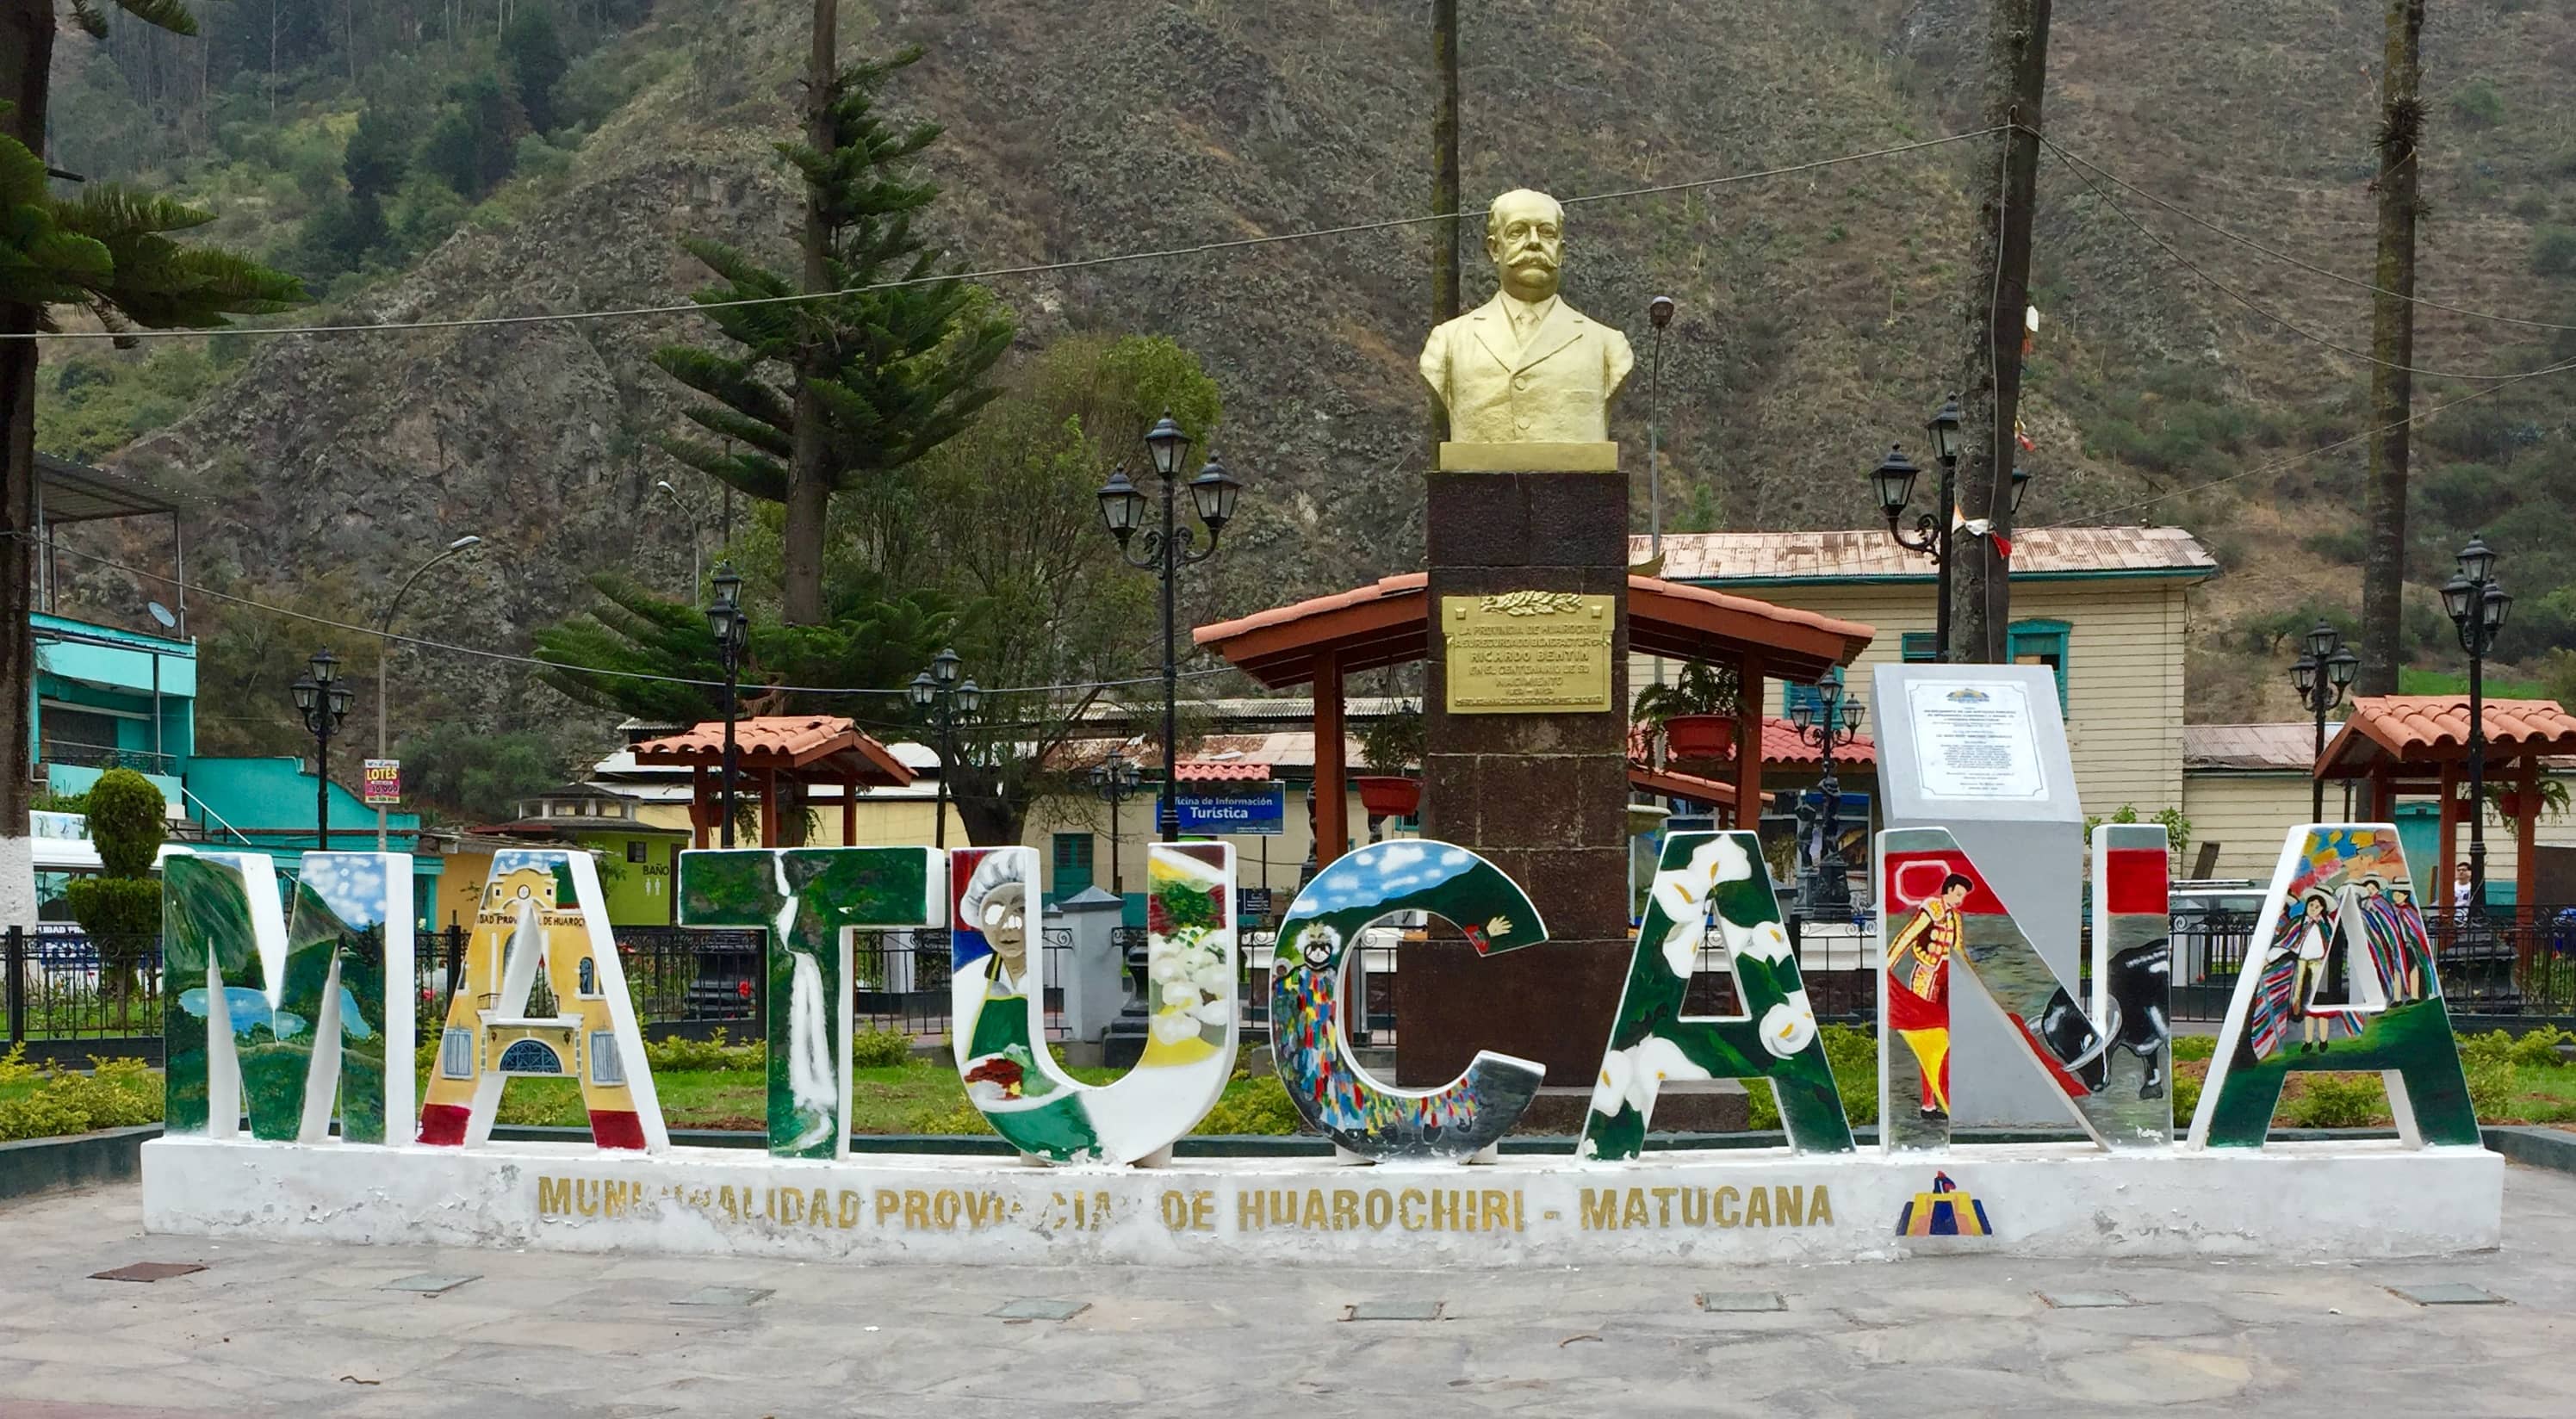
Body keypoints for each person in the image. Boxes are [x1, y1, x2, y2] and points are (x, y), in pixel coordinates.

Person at [1418, 189, 1636, 449]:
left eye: (1547, 232)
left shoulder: (1609, 346)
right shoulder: (1448, 343)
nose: (1534, 242)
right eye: (1517, 232)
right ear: (1494, 248)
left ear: (1561, 251)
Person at [1884, 873, 1971, 1119]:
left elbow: (1959, 950)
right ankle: (1928, 1103)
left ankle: (1941, 1098)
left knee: (1946, 1037)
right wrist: (1887, 965)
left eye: (1963, 897)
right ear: (1949, 889)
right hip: (1927, 976)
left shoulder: (1955, 917)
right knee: (1928, 1036)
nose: (1960, 900)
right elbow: (1908, 936)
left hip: (1947, 978)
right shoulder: (1932, 908)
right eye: (1958, 894)